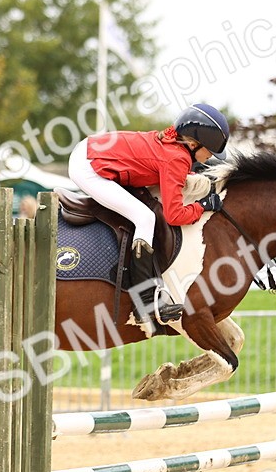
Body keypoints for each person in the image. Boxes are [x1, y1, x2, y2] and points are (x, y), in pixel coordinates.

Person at [67, 103, 229, 324]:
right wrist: (203, 206)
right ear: (192, 143)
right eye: (209, 151)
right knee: (145, 218)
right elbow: (174, 215)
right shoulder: (177, 157)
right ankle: (145, 301)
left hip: (91, 149)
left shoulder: (175, 144)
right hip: (88, 167)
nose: (210, 157)